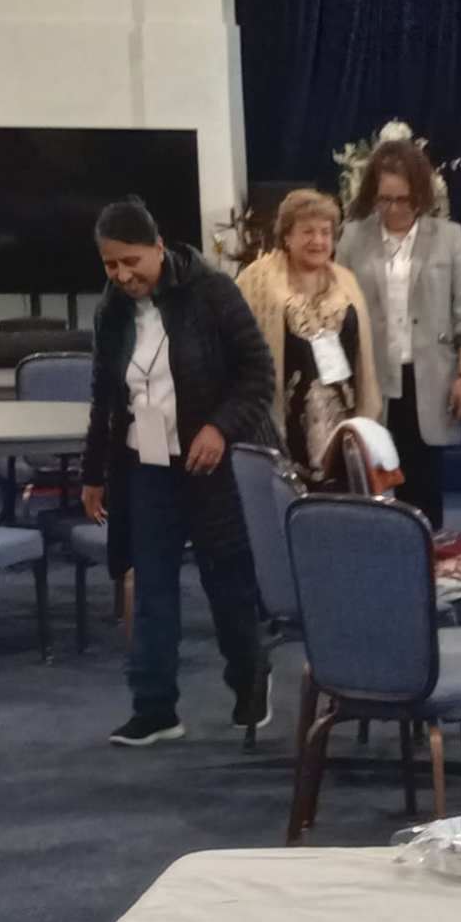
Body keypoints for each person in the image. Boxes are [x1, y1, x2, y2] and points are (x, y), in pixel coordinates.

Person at [78, 197, 276, 746]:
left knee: (228, 582)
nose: (122, 275)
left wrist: (219, 427)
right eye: (110, 265)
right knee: (152, 587)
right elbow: (104, 398)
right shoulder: (110, 311)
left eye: (131, 262)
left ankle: (250, 682)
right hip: (145, 468)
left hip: (210, 465)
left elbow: (259, 375)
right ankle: (154, 707)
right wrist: (94, 474)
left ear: (159, 248)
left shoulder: (213, 293)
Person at [338, 141, 461, 505]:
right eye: (384, 199)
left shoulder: (449, 237)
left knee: (424, 483)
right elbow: (337, 302)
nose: (392, 208)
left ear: (420, 194)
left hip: (430, 375)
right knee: (373, 482)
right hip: (372, 375)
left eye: (402, 199)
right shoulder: (354, 236)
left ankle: (425, 553)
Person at [232, 189, 383, 486]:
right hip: (286, 421)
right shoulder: (257, 281)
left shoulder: (346, 281)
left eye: (326, 232)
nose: (318, 241)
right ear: (287, 236)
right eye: (308, 232)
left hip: (344, 418)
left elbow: (362, 355)